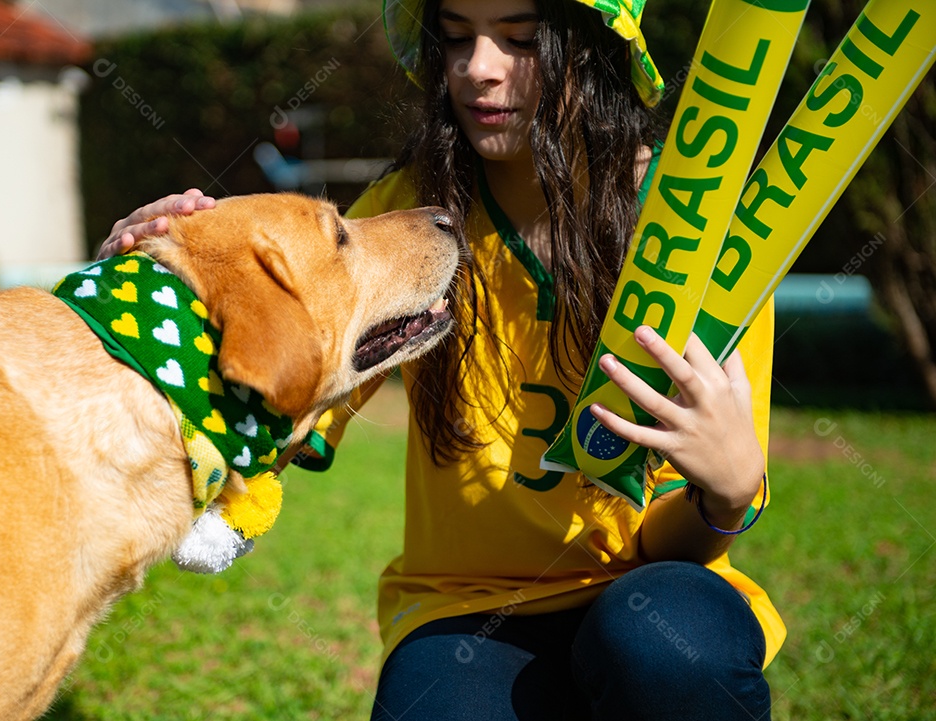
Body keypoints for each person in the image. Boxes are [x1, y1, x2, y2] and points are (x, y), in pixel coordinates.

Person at [100, 0, 784, 718]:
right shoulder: (410, 211)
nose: (478, 69)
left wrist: (725, 498)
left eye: (520, 38)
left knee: (662, 646)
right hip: (464, 610)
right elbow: (261, 393)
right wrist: (152, 279)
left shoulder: (701, 230)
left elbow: (675, 543)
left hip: (651, 591)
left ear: (596, 46)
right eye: (456, 38)